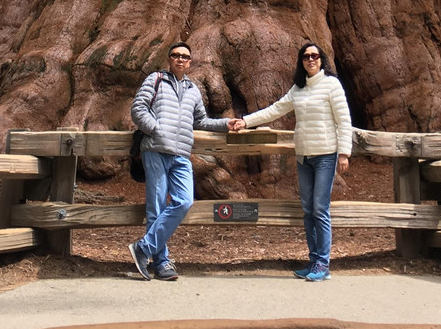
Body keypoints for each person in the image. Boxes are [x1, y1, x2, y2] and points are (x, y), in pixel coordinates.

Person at [234, 41, 352, 281]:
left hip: (326, 156)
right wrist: (246, 121)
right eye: (306, 56)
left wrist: (344, 153)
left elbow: (344, 120)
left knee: (320, 208)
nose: (311, 60)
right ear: (301, 61)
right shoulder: (298, 89)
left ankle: (323, 263)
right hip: (303, 157)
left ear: (322, 60)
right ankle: (313, 261)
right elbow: (275, 110)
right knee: (308, 210)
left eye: (315, 56)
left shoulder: (331, 85)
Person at [129, 42, 232, 281]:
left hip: (182, 155)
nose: (180, 59)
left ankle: (143, 249)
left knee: (184, 202)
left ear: (190, 62)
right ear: (169, 59)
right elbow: (138, 108)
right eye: (175, 55)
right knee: (156, 207)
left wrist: (226, 124)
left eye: (185, 57)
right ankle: (162, 263)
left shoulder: (193, 89)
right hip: (155, 150)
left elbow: (201, 121)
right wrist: (156, 129)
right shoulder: (155, 80)